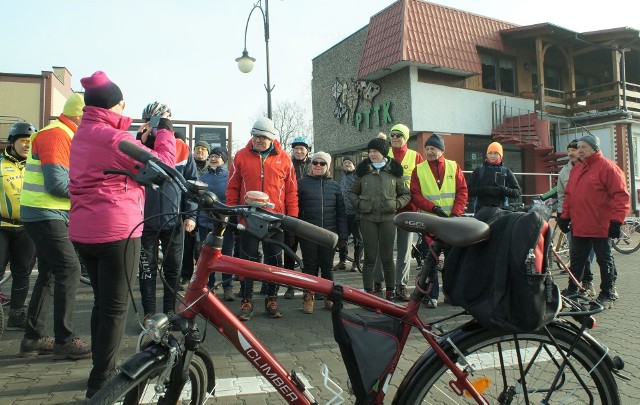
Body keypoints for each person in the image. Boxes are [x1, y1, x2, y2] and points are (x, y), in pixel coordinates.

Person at [69, 71, 176, 398]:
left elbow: (120, 167)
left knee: (102, 305)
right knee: (115, 310)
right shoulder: (113, 138)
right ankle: (100, 386)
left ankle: (99, 368)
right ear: (111, 105)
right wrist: (165, 132)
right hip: (115, 231)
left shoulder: (85, 133)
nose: (125, 106)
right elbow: (164, 167)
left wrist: (141, 143)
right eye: (121, 101)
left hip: (84, 231)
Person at [19, 93, 91, 360]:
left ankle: (33, 339)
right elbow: (57, 185)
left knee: (50, 273)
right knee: (69, 268)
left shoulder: (64, 133)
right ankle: (64, 340)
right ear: (80, 116)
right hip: (44, 212)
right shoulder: (57, 134)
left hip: (48, 213)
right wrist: (93, 190)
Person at [226, 117, 298, 320]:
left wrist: (291, 219)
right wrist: (233, 214)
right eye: (255, 135)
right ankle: (247, 300)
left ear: (271, 138)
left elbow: (292, 191)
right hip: (249, 218)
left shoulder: (284, 159)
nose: (258, 140)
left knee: (274, 261)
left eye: (263, 136)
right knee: (247, 260)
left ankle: (271, 299)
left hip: (276, 220)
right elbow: (232, 188)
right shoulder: (240, 156)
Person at [137, 101, 197, 320]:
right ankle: (149, 312)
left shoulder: (181, 148)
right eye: (151, 121)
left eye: (162, 123)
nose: (155, 127)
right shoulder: (138, 145)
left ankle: (170, 310)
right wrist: (139, 141)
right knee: (147, 269)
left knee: (173, 268)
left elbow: (191, 183)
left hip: (174, 219)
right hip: (144, 220)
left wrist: (190, 215)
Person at [558, 134, 629, 309]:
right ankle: (574, 289)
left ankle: (607, 293)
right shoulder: (577, 169)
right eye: (578, 147)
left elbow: (621, 195)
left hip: (601, 225)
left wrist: (616, 222)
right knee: (577, 260)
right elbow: (569, 196)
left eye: (584, 147)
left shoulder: (608, 168)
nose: (580, 150)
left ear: (594, 148)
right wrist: (564, 216)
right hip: (580, 225)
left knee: (604, 260)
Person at [349, 134, 411, 301]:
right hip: (367, 219)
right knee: (369, 258)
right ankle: (368, 293)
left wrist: (395, 204)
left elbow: (406, 194)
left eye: (375, 151)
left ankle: (390, 291)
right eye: (370, 151)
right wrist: (359, 205)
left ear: (384, 152)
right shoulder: (363, 172)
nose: (372, 154)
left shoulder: (394, 172)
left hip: (388, 220)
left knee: (387, 257)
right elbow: (353, 193)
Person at [409, 133, 468, 308]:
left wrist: (456, 214)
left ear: (441, 150)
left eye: (433, 149)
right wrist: (433, 208)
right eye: (427, 149)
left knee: (452, 262)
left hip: (451, 224)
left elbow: (462, 191)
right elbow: (415, 195)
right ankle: (431, 296)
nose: (429, 152)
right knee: (430, 262)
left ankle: (450, 294)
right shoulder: (418, 169)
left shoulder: (453, 166)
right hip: (430, 224)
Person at [372, 124, 424, 301]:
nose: (394, 138)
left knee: (404, 250)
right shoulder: (384, 154)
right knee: (382, 248)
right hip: (385, 211)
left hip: (407, 210)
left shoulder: (415, 156)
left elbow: (419, 185)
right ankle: (378, 282)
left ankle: (401, 286)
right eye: (392, 135)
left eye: (398, 135)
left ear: (406, 138)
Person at [297, 151, 347, 313]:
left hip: (329, 234)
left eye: (322, 163)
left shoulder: (335, 186)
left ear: (328, 166)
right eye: (315, 162)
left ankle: (329, 298)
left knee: (327, 267)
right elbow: (296, 210)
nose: (318, 165)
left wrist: (343, 236)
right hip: (308, 233)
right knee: (310, 266)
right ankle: (308, 298)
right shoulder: (301, 183)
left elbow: (341, 212)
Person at [0, 122, 38, 330]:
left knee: (22, 272)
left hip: (27, 227)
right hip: (2, 226)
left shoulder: (36, 165)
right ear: (12, 142)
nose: (27, 145)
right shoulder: (0, 164)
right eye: (23, 141)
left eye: (31, 142)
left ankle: (16, 314)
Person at [556, 139, 595, 297]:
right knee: (576, 253)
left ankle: (604, 287)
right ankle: (581, 285)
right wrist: (561, 215)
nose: (571, 153)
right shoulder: (564, 172)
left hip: (592, 219)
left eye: (574, 149)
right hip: (573, 219)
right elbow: (561, 195)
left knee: (595, 253)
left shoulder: (589, 168)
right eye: (569, 150)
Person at [197, 146, 235, 301]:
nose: (213, 158)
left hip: (224, 223)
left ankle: (228, 288)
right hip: (205, 223)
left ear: (224, 159)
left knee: (226, 256)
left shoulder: (229, 177)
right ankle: (209, 287)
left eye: (217, 156)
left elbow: (232, 200)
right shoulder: (202, 177)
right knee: (207, 257)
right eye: (212, 156)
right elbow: (197, 200)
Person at [282, 136, 312, 299]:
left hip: (308, 215)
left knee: (309, 255)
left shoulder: (314, 165)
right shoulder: (287, 164)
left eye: (302, 148)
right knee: (289, 252)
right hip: (291, 215)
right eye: (296, 148)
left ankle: (308, 287)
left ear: (308, 150)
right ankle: (289, 286)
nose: (299, 151)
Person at [179, 140, 211, 291]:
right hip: (188, 212)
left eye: (204, 149)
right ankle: (186, 275)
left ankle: (201, 277)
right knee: (187, 247)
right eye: (198, 148)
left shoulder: (212, 169)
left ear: (208, 153)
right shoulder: (187, 166)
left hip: (205, 214)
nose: (200, 151)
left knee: (202, 248)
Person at [468, 141, 520, 213]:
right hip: (481, 211)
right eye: (490, 153)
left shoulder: (507, 172)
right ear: (486, 155)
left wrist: (502, 190)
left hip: (501, 212)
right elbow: (469, 191)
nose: (492, 156)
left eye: (496, 153)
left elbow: (517, 192)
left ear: (500, 155)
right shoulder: (478, 171)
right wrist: (485, 190)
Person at [338, 156, 362, 272]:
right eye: (345, 163)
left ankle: (356, 263)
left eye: (349, 163)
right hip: (344, 214)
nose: (347, 164)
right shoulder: (341, 178)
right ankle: (342, 261)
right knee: (342, 238)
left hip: (355, 214)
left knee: (358, 240)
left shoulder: (358, 177)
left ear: (354, 166)